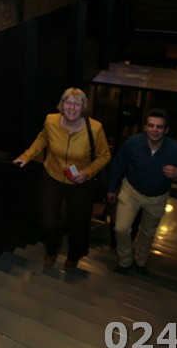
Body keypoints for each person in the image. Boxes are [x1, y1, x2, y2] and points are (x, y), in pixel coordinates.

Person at [14, 88, 111, 270]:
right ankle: (52, 249)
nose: (72, 107)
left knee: (79, 223)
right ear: (61, 104)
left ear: (83, 107)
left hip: (81, 183)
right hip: (52, 177)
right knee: (48, 221)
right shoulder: (51, 120)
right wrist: (27, 155)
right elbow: (42, 139)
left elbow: (104, 156)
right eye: (68, 102)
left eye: (77, 104)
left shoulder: (95, 128)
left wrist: (87, 172)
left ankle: (74, 255)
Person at [106, 108, 177, 276]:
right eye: (151, 125)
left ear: (166, 130)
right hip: (131, 191)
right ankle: (125, 261)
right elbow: (118, 165)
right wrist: (111, 188)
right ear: (145, 127)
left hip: (158, 197)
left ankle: (140, 262)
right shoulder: (133, 143)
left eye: (159, 127)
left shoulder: (176, 150)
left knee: (147, 233)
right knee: (120, 228)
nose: (155, 130)